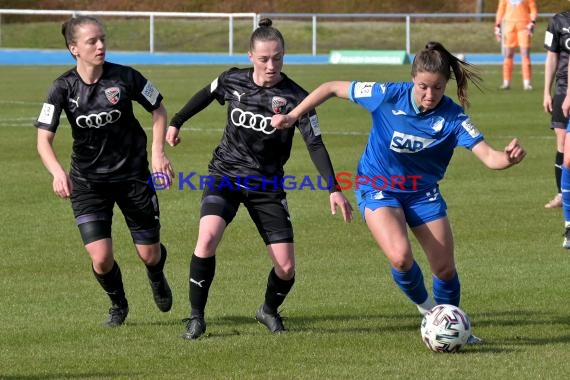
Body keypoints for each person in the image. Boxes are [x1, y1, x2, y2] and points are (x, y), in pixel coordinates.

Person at [272, 41, 526, 343]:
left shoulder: (453, 118)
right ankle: (433, 314)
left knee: (444, 268)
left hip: (422, 193)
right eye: (422, 87)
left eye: (437, 88)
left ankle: (453, 326)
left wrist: (507, 159)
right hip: (377, 187)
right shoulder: (386, 95)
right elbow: (330, 87)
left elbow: (489, 156)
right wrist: (293, 116)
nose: (429, 95)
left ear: (446, 85)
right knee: (401, 258)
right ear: (412, 79)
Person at [166, 18, 353, 340]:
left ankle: (267, 310)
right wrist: (177, 121)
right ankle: (196, 317)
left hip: (267, 186)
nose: (271, 65)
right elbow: (206, 94)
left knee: (286, 268)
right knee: (207, 238)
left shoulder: (297, 98)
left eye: (277, 58)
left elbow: (315, 143)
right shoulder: (232, 80)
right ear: (251, 55)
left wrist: (334, 188)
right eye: (264, 58)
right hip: (224, 175)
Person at [35, 15, 174, 327]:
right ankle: (118, 304)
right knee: (100, 258)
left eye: (103, 39)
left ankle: (156, 274)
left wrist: (157, 153)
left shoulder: (125, 77)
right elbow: (44, 140)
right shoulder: (61, 88)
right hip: (88, 183)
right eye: (92, 41)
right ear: (74, 48)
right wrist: (58, 172)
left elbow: (159, 109)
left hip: (133, 177)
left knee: (149, 254)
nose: (101, 46)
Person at [543, 9, 570, 209]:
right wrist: (546, 91)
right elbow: (551, 57)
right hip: (562, 89)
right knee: (562, 142)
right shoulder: (558, 21)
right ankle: (562, 195)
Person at [494, 0, 538, 90]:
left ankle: (527, 83)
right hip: (509, 27)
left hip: (524, 27)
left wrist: (532, 22)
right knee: (508, 55)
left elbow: (533, 9)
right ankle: (506, 82)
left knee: (525, 54)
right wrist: (497, 25)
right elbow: (500, 10)